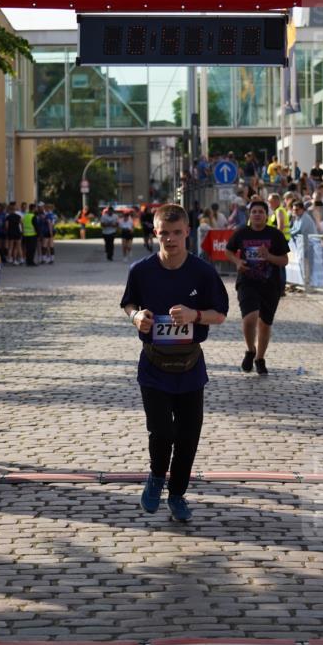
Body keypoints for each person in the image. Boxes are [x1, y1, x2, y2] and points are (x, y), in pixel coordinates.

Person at [120, 204, 228, 523]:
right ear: (155, 233)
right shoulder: (141, 270)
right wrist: (135, 317)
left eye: (177, 233)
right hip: (153, 365)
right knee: (161, 431)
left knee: (188, 436)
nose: (170, 239)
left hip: (190, 367)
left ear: (187, 233)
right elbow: (129, 303)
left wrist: (195, 315)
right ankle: (156, 476)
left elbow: (220, 314)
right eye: (164, 233)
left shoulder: (202, 272)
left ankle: (177, 494)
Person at [225, 198, 288, 376]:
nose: (257, 215)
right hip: (247, 282)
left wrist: (269, 256)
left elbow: (284, 260)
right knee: (249, 318)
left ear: (266, 215)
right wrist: (238, 262)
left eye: (261, 212)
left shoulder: (275, 235)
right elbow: (228, 251)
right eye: (254, 212)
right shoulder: (241, 232)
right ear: (249, 215)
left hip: (270, 284)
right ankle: (250, 349)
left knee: (265, 324)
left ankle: (260, 358)